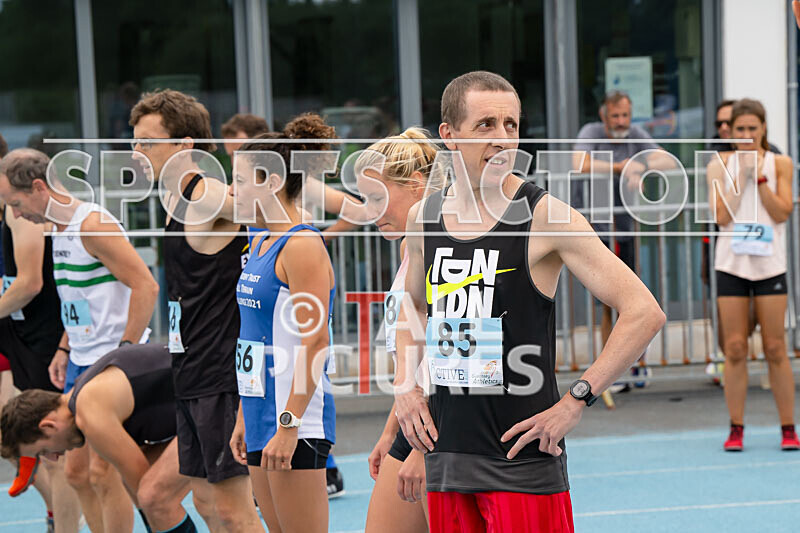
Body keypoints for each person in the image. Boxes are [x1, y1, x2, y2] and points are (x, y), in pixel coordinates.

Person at [394, 71, 665, 533]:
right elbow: (413, 305)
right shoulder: (425, 216)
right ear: (449, 135)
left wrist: (575, 400)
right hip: (448, 454)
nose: (502, 138)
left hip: (521, 461)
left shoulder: (546, 216)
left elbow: (644, 312)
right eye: (485, 125)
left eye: (511, 125)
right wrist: (405, 385)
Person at [0, 148, 159, 532]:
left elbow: (146, 286)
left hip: (110, 361)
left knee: (104, 473)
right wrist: (65, 347)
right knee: (74, 473)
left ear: (39, 188)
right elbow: (79, 297)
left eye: (16, 204)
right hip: (81, 359)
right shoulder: (58, 229)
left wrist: (125, 353)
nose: (15, 215)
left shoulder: (92, 225)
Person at [129, 89, 264, 532]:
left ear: (185, 145)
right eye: (135, 141)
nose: (138, 151)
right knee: (204, 504)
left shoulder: (205, 193)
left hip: (220, 373)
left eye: (148, 142)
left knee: (233, 511)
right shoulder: (174, 201)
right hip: (190, 370)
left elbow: (270, 207)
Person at [227, 116, 336, 533]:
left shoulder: (302, 244)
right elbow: (252, 337)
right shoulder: (260, 240)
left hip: (295, 420)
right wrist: (243, 414)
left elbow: (316, 343)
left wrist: (289, 425)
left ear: (272, 182)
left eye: (240, 180)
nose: (232, 190)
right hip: (259, 414)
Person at [0, 344, 195, 532]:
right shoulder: (83, 391)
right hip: (196, 399)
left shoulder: (89, 412)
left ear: (48, 426)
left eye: (43, 451)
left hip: (206, 396)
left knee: (154, 497)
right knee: (147, 490)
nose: (53, 457)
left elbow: (142, 486)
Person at [357, 128, 442, 533]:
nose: (370, 212)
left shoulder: (443, 249)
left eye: (377, 198)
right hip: (414, 424)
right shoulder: (412, 248)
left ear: (416, 185)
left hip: (440, 427)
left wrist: (423, 451)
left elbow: (447, 357)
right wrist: (391, 431)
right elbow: (411, 360)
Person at [706, 98, 799, 451]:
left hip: (769, 265)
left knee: (775, 346)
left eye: (752, 128)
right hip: (732, 264)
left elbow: (782, 212)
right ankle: (736, 427)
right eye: (740, 129)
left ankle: (788, 427)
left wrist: (759, 178)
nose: (746, 135)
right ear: (731, 132)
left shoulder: (781, 163)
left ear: (763, 129)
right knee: (734, 347)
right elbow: (720, 217)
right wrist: (740, 176)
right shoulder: (718, 165)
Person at [572, 90, 675, 391]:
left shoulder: (635, 134)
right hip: (596, 231)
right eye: (615, 116)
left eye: (625, 116)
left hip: (625, 229)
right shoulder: (591, 132)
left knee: (634, 301)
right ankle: (609, 374)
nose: (621, 122)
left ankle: (636, 363)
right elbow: (579, 163)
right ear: (603, 115)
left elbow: (666, 161)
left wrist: (640, 166)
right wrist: (621, 168)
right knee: (608, 303)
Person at [0, 191, 81, 530]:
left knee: (60, 456)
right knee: (37, 446)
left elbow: (30, 283)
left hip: (48, 339)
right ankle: (56, 517)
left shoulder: (18, 210)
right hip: (25, 334)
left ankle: (62, 523)